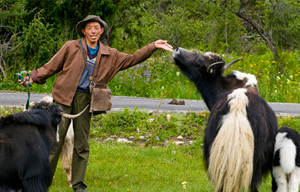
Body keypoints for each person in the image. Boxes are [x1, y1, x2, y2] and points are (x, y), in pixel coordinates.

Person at [18, 15, 173, 192]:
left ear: (101, 31)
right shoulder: (71, 47)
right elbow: (52, 66)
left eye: (96, 28)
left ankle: (78, 185)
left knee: (82, 144)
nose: (93, 31)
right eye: (89, 28)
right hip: (63, 97)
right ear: (83, 31)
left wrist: (153, 46)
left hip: (86, 100)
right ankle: (41, 183)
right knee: (56, 142)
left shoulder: (110, 54)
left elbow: (132, 58)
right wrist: (33, 78)